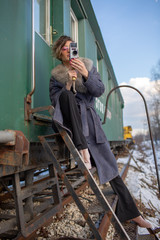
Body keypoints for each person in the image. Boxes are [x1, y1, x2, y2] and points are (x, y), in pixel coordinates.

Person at [49, 35, 151, 228]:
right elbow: (57, 103)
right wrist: (69, 84)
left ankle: (133, 214)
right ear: (59, 53)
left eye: (72, 46)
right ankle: (84, 152)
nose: (69, 50)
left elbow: (99, 90)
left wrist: (85, 74)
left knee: (112, 169)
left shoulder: (87, 65)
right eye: (64, 48)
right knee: (66, 96)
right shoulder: (55, 76)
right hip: (71, 126)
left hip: (91, 125)